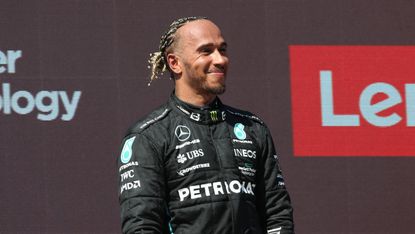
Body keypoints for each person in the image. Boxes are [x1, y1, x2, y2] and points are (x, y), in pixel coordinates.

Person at [117, 16, 294, 234]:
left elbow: (278, 215)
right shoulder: (148, 136)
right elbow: (142, 226)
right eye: (206, 51)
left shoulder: (252, 128)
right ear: (174, 62)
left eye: (223, 49)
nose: (220, 60)